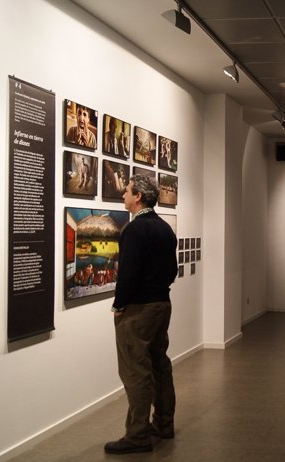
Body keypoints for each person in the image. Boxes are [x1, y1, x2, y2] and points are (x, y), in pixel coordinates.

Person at [104, 174, 178, 455]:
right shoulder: (164, 229)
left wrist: (118, 305)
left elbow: (129, 275)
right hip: (162, 304)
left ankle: (137, 435)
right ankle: (164, 424)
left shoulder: (134, 231)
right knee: (160, 364)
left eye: (127, 191)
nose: (123, 194)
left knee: (136, 372)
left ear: (138, 197)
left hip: (138, 310)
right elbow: (171, 270)